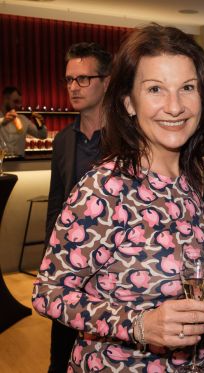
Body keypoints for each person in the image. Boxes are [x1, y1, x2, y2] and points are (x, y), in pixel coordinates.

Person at [33, 24, 204, 372]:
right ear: (128, 103)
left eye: (187, 88)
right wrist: (139, 325)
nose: (175, 106)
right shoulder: (106, 188)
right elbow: (49, 293)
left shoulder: (191, 180)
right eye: (155, 89)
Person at [44, 41, 112, 373]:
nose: (73, 86)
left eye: (83, 79)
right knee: (60, 358)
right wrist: (49, 263)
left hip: (110, 273)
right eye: (69, 79)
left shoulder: (127, 140)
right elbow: (55, 205)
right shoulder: (63, 140)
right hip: (69, 273)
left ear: (107, 82)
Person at [0, 86, 47, 156]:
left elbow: (42, 135)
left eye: (20, 102)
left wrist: (41, 125)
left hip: (19, 163)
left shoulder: (23, 120)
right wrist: (3, 121)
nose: (19, 105)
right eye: (15, 101)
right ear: (6, 99)